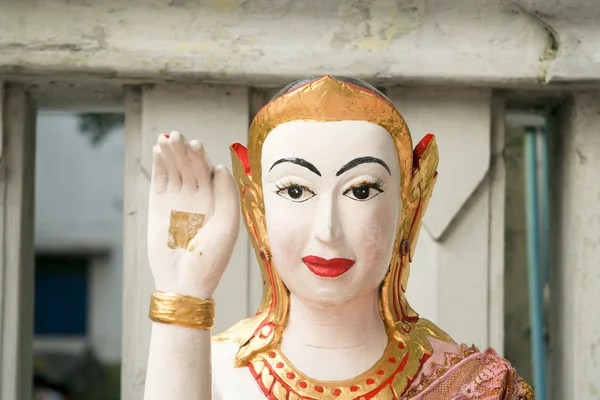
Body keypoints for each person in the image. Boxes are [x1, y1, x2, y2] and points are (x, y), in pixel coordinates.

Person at [143, 75, 533, 399]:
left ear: (409, 206)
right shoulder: (208, 374)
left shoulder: (473, 386)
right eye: (296, 191)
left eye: (361, 191)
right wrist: (182, 297)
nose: (327, 231)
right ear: (257, 208)